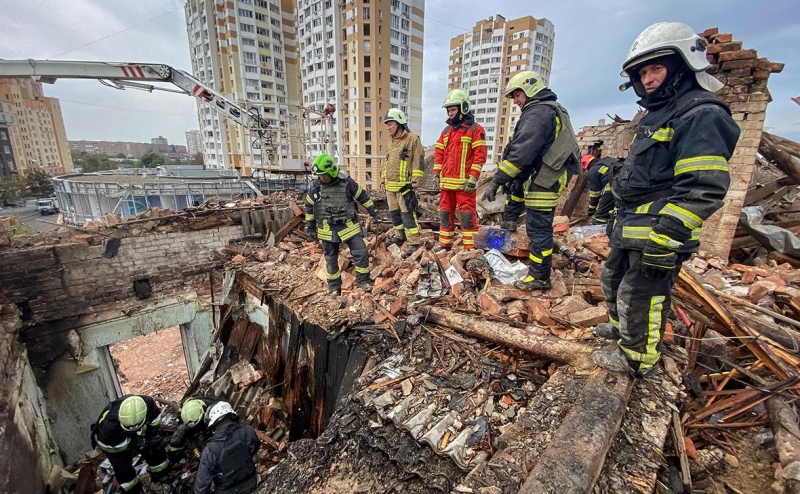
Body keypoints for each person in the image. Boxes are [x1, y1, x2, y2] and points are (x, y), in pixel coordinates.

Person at [592, 22, 740, 377]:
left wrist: (668, 235)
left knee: (642, 296)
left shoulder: (701, 114)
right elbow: (643, 176)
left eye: (656, 68)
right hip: (633, 228)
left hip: (659, 234)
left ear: (681, 64)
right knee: (612, 282)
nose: (649, 79)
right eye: (642, 72)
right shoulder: (659, 116)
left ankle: (638, 358)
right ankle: (623, 332)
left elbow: (704, 188)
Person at [482, 71, 580, 291]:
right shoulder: (545, 110)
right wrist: (509, 179)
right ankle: (509, 223)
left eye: (517, 95)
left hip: (547, 179)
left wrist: (497, 180)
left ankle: (539, 277)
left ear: (530, 89)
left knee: (538, 229)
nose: (515, 101)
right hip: (542, 173)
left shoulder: (539, 113)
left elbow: (521, 152)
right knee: (515, 187)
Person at [305, 153, 381, 296]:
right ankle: (334, 287)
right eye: (319, 176)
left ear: (332, 172)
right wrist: (310, 227)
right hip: (327, 228)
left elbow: (362, 197)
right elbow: (310, 207)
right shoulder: (315, 187)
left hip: (348, 226)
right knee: (331, 259)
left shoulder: (347, 183)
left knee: (361, 252)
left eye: (324, 175)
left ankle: (362, 281)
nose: (322, 179)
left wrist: (374, 212)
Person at [433, 89, 487, 251]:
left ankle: (470, 247)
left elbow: (480, 156)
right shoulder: (446, 132)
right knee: (444, 214)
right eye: (448, 110)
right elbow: (439, 153)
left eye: (453, 109)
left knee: (467, 216)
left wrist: (473, 178)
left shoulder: (475, 130)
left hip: (465, 185)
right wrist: (436, 174)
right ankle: (445, 244)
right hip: (447, 185)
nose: (450, 114)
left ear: (463, 108)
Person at [90, 395, 170, 493]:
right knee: (123, 469)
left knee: (155, 447)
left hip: (137, 430)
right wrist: (138, 442)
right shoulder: (109, 427)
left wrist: (148, 437)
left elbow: (155, 424)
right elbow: (122, 449)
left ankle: (162, 475)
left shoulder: (149, 404)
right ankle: (135, 490)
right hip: (113, 444)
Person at [381, 108, 425, 258]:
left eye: (390, 124)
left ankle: (413, 242)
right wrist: (383, 180)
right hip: (390, 187)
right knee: (395, 215)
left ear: (399, 123)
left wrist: (414, 183)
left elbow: (418, 162)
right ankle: (399, 235)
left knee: (407, 215)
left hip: (404, 187)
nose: (388, 127)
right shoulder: (391, 142)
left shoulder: (413, 139)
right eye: (387, 124)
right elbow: (387, 163)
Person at [194, 401, 260, 494]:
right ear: (231, 415)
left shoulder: (209, 451)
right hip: (252, 485)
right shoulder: (248, 431)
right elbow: (255, 448)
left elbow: (201, 490)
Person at [581, 154, 618, 224]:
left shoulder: (593, 170)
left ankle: (598, 233)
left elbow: (595, 193)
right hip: (626, 186)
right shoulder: (606, 161)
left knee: (600, 218)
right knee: (615, 213)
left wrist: (591, 210)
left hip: (612, 188)